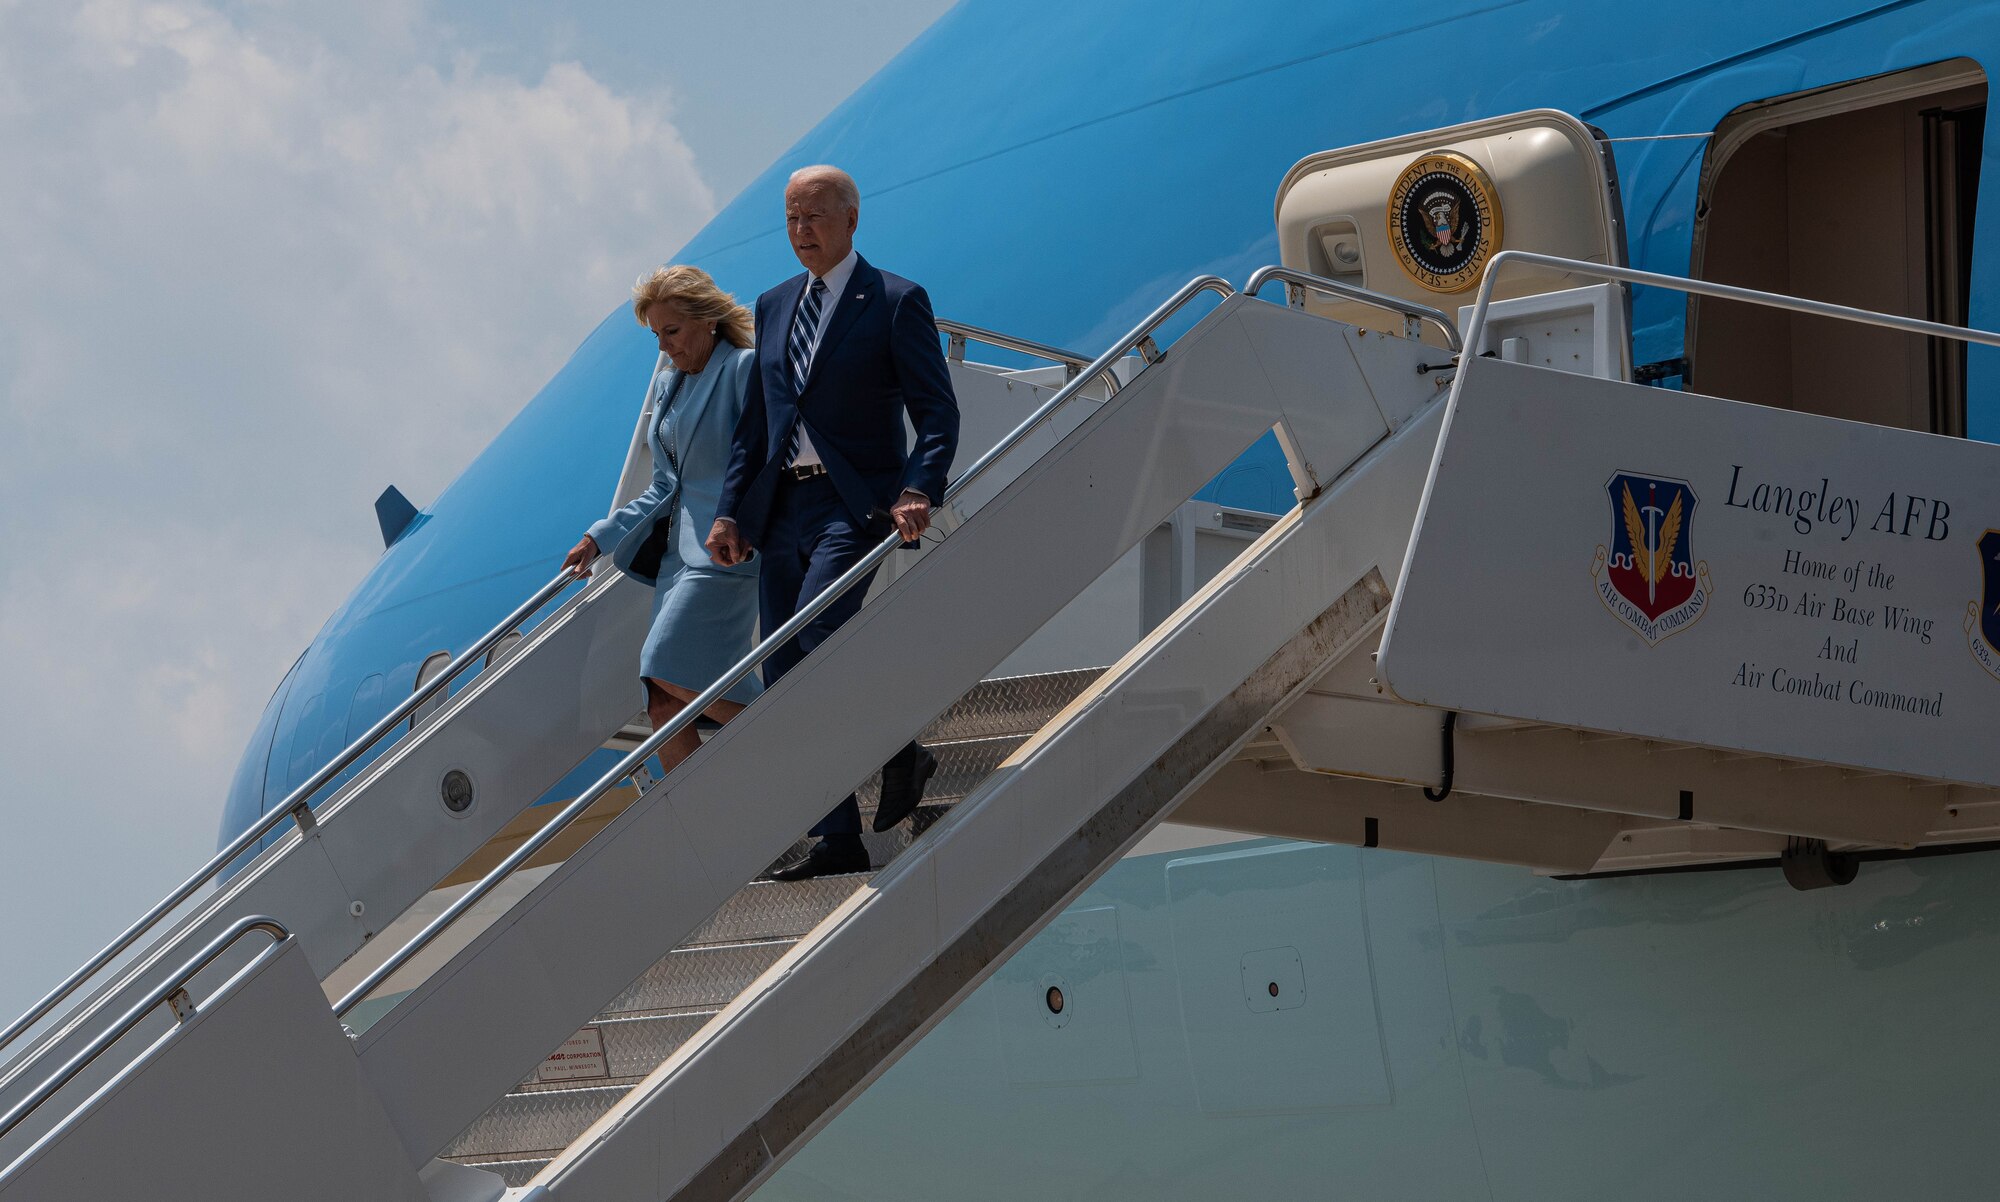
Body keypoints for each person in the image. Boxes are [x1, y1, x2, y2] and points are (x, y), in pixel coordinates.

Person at [706, 165, 960, 881]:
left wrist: (919, 488)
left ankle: (900, 751)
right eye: (790, 219)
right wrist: (732, 509)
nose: (801, 231)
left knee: (818, 634)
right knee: (783, 672)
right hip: (781, 508)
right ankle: (836, 837)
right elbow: (757, 424)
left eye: (814, 216)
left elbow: (936, 413)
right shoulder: (774, 304)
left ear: (851, 220)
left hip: (856, 505)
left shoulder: (895, 300)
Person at [562, 266, 763, 776]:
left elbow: (763, 461)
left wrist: (736, 520)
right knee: (661, 704)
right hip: (676, 559)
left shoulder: (743, 368)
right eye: (656, 335)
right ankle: (708, 823)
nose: (663, 347)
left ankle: (799, 740)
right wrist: (599, 537)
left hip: (724, 549)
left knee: (669, 668)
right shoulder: (668, 386)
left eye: (671, 332)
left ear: (709, 320)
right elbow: (664, 486)